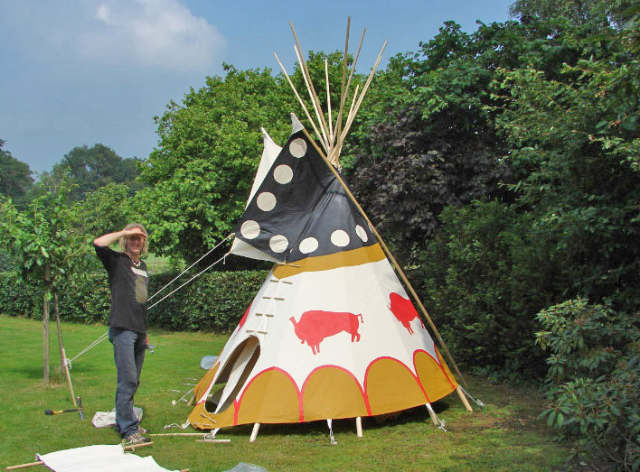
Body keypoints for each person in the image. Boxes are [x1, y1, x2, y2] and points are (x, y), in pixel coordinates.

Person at [94, 224, 151, 445]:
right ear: (125, 241)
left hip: (139, 331)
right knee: (126, 380)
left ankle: (128, 423)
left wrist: (145, 332)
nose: (136, 242)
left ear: (144, 242)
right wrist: (125, 232)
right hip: (122, 330)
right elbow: (98, 243)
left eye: (139, 238)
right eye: (132, 238)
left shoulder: (143, 266)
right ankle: (128, 431)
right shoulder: (117, 261)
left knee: (133, 380)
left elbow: (141, 301)